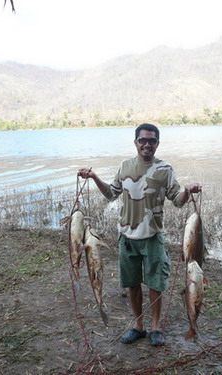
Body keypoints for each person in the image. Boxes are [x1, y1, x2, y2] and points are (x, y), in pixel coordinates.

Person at [77, 123, 202, 346]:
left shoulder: (165, 169)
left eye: (151, 141)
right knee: (133, 284)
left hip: (153, 236)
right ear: (136, 142)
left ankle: (155, 327)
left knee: (155, 284)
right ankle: (138, 326)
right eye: (142, 140)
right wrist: (95, 177)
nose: (147, 144)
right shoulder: (125, 166)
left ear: (157, 144)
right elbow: (111, 194)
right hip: (127, 237)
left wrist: (187, 191)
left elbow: (177, 200)